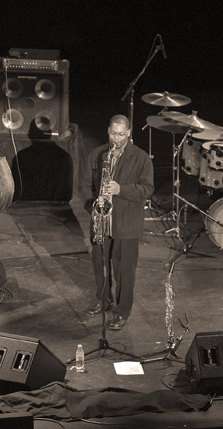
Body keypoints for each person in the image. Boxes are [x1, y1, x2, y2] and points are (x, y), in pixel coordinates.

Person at [82, 115, 154, 330]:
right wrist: (93, 207)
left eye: (122, 134)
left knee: (124, 270)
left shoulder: (141, 158)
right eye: (114, 133)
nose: (117, 138)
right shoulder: (98, 155)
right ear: (108, 131)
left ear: (129, 132)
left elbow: (147, 189)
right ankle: (103, 300)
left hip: (126, 223)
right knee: (99, 264)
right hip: (101, 220)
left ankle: (122, 311)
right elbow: (86, 185)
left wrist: (120, 189)